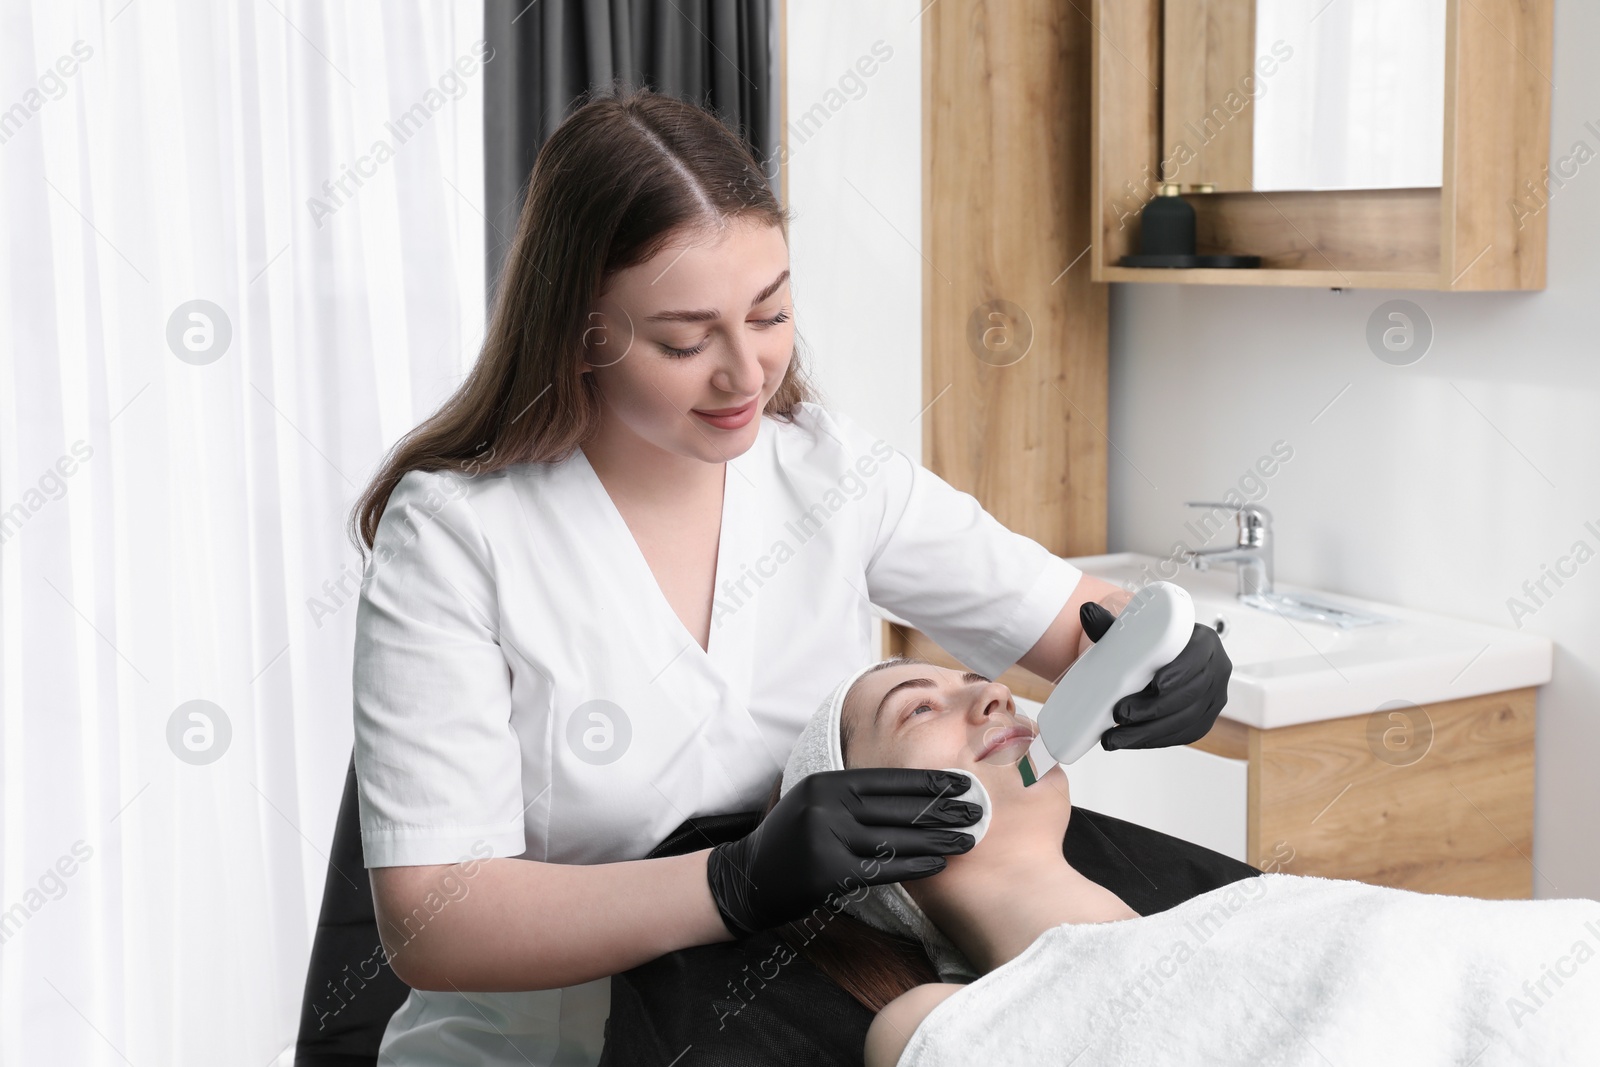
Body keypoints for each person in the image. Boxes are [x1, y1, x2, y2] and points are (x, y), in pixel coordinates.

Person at [348, 86, 1231, 1066]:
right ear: (580, 330)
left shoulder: (824, 469)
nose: (745, 376)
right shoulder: (459, 536)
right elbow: (431, 917)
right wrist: (728, 882)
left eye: (769, 313)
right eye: (685, 340)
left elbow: (1078, 623)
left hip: (796, 1018)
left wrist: (1168, 648)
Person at [777, 657, 1600, 1067]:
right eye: (919, 707)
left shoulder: (1247, 911)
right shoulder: (926, 1019)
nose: (992, 696)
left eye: (976, 680)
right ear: (861, 832)